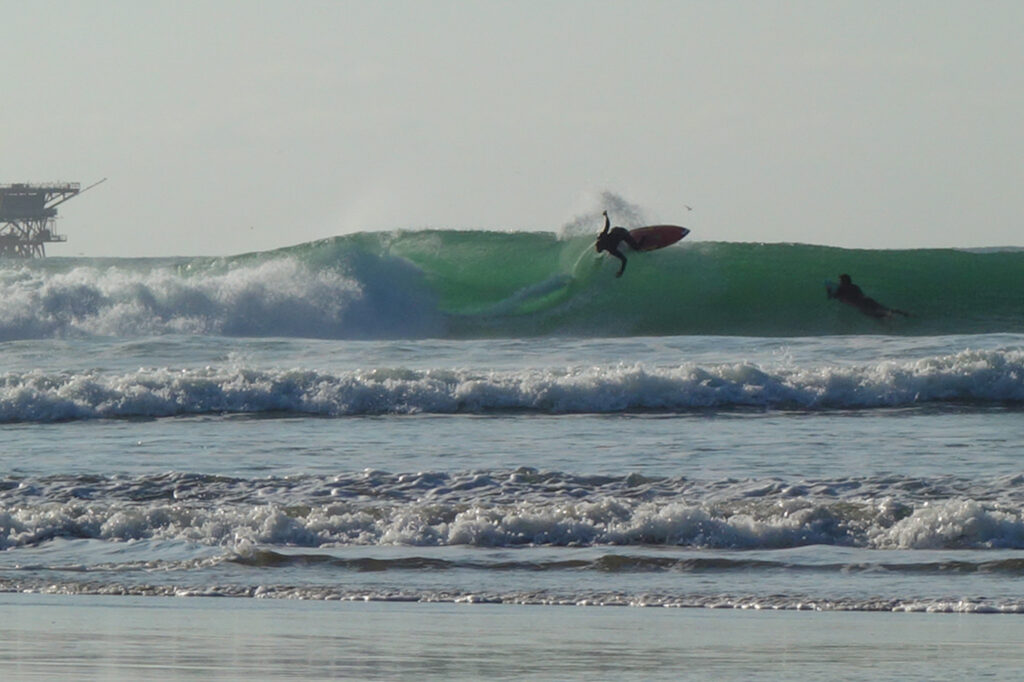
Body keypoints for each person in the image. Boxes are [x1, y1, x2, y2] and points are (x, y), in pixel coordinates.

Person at [828, 273, 909, 319]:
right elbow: (860, 294)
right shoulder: (855, 286)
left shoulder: (841, 288)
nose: (839, 282)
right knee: (884, 309)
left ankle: (889, 319)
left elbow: (832, 297)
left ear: (843, 281)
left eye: (840, 280)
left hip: (861, 305)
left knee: (875, 315)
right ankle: (905, 314)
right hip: (867, 300)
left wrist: (829, 289)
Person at [595, 211, 642, 277]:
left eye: (597, 244)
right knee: (620, 243)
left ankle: (643, 239)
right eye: (597, 244)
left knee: (637, 248)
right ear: (602, 246)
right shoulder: (611, 249)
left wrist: (606, 216)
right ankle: (629, 242)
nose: (597, 242)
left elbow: (607, 226)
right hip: (618, 231)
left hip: (623, 233)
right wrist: (621, 271)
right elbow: (624, 259)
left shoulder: (603, 239)